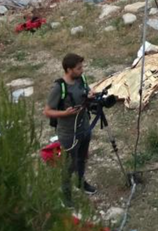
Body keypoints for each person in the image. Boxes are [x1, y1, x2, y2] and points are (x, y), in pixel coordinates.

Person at [43, 53, 97, 204]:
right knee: (69, 165)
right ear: (69, 69)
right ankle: (66, 196)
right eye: (78, 68)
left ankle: (81, 182)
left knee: (82, 158)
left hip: (84, 127)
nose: (82, 70)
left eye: (82, 67)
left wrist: (91, 94)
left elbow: (86, 90)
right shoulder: (59, 87)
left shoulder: (82, 79)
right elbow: (47, 111)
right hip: (68, 133)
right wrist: (64, 113)